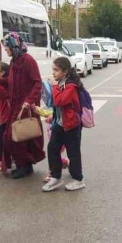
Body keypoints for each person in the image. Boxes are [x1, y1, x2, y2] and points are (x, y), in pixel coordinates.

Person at [2, 33, 46, 179]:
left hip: (26, 107)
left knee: (21, 137)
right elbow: (11, 82)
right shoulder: (14, 61)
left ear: (14, 45)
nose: (5, 50)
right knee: (14, 136)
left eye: (7, 47)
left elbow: (37, 83)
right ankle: (24, 165)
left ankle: (24, 165)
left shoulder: (28, 60)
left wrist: (29, 100)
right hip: (16, 105)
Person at [42, 57, 85, 192]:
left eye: (56, 70)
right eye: (53, 70)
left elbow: (59, 101)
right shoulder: (60, 84)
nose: (53, 73)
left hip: (72, 125)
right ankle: (56, 177)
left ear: (65, 71)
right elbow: (54, 104)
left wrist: (54, 86)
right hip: (59, 124)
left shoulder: (71, 87)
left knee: (73, 153)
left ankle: (78, 179)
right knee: (52, 148)